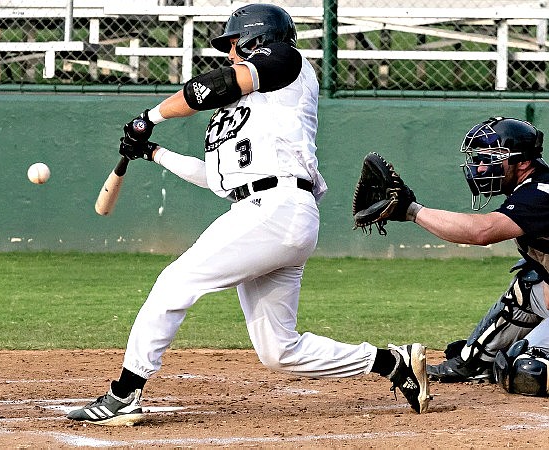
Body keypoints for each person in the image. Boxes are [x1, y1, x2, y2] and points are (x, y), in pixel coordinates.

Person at [66, 3, 429, 425]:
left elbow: (215, 85)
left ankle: (124, 395)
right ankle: (392, 362)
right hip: (268, 212)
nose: (229, 53)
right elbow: (219, 179)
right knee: (279, 350)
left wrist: (150, 117)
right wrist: (154, 152)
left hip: (276, 209)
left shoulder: (286, 61)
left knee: (174, 282)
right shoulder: (246, 112)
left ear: (257, 38)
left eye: (234, 44)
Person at [393, 116, 549, 395]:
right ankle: (476, 361)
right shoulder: (531, 187)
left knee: (528, 371)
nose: (480, 167)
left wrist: (411, 210)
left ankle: (507, 361)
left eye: (490, 158)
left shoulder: (540, 194)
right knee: (531, 281)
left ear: (523, 162)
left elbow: (481, 232)